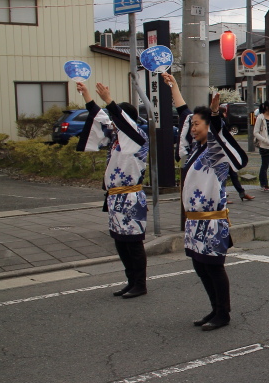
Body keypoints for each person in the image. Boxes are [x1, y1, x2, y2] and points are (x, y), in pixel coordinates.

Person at [163, 73, 249, 330]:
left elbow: (226, 144)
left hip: (211, 221)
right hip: (194, 222)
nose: (193, 127)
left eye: (198, 124)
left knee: (213, 267)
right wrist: (174, 87)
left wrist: (213, 117)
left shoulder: (214, 150)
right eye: (192, 125)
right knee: (200, 267)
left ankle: (224, 312)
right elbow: (183, 112)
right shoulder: (195, 149)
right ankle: (214, 308)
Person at [76, 81, 149, 298]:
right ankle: (130, 280)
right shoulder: (116, 140)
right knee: (120, 241)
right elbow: (100, 118)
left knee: (133, 242)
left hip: (131, 196)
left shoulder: (138, 139)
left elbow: (122, 121)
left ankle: (140, 283)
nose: (114, 124)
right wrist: (88, 95)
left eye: (118, 120)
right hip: (115, 198)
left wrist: (110, 100)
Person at [220, 105, 253, 201]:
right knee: (224, 175)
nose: (226, 114)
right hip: (222, 153)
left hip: (226, 152)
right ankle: (222, 197)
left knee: (232, 173)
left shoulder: (222, 122)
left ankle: (241, 193)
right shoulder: (219, 122)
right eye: (224, 112)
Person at [254, 99, 269, 192]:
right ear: (267, 107)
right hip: (264, 145)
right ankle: (264, 184)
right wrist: (265, 140)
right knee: (265, 165)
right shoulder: (260, 117)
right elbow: (255, 132)